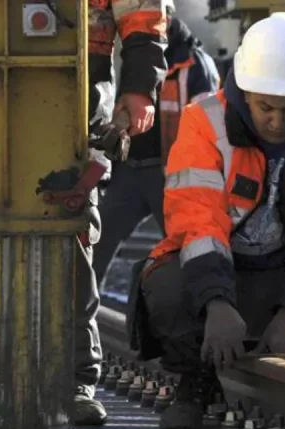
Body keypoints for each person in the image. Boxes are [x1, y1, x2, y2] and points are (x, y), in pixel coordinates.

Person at [0, 0, 168, 426]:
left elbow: (143, 15)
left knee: (71, 245)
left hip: (74, 90)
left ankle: (73, 383)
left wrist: (139, 86)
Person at [128, 12, 285, 429]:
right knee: (162, 283)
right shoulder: (204, 122)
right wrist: (216, 304)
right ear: (245, 92)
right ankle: (197, 381)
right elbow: (196, 223)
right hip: (225, 277)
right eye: (264, 108)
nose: (276, 121)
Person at [92, 8, 220, 287]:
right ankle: (79, 313)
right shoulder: (131, 53)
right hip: (130, 170)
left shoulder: (196, 66)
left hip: (171, 176)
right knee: (96, 245)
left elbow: (211, 133)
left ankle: (201, 314)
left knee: (190, 250)